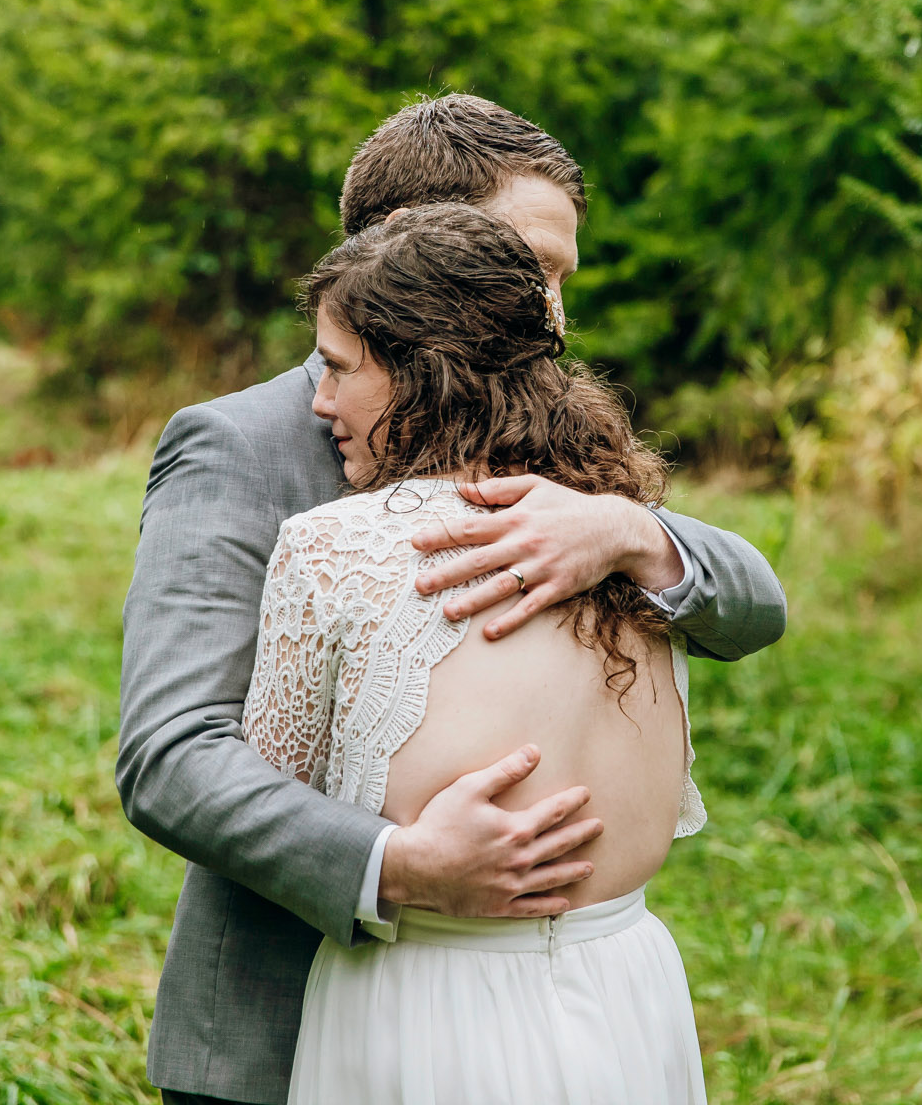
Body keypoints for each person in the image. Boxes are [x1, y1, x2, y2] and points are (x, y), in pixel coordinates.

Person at [116, 94, 787, 1105]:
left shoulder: (556, 449)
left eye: (560, 277)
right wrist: (400, 864)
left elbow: (753, 609)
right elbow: (172, 755)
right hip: (279, 1025)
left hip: (553, 1014)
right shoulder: (243, 444)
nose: (553, 310)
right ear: (414, 246)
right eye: (530, 266)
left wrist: (632, 532)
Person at [248, 202, 711, 1102]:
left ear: (423, 374)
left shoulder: (333, 547)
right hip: (631, 990)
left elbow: (273, 807)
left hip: (425, 1007)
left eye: (340, 369)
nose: (319, 400)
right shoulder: (630, 536)